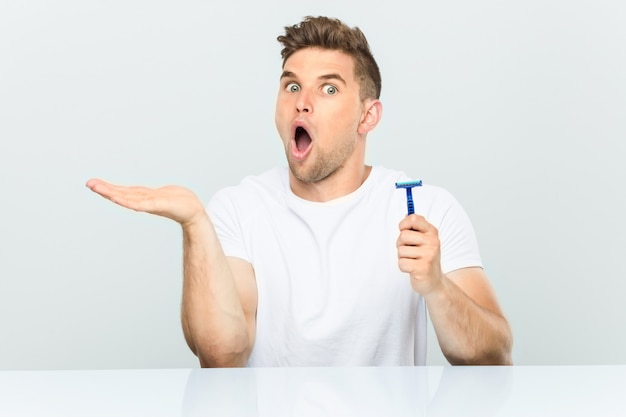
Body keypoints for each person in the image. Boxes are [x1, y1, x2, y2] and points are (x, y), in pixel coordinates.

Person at [86, 16, 513, 367]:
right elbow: (222, 354)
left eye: (329, 89)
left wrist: (436, 286)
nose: (302, 102)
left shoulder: (426, 208)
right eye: (292, 86)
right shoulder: (238, 208)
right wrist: (195, 226)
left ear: (368, 116)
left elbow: (494, 354)